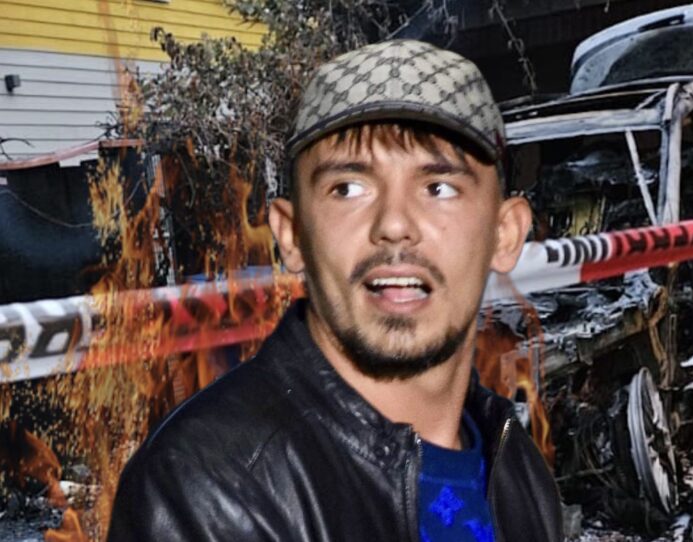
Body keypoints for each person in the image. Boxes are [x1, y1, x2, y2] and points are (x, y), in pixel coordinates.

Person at [108, 39, 563, 542]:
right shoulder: (206, 492)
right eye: (348, 188)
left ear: (505, 234)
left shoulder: (516, 464)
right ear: (292, 235)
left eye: (439, 188)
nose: (394, 225)